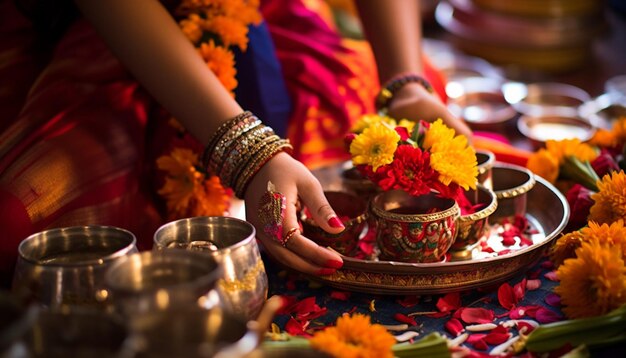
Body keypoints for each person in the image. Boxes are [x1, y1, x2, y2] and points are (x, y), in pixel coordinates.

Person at [0, 0, 470, 287]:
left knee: (409, 104)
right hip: (107, 30)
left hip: (254, 25)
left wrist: (404, 82)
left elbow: (404, 85)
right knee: (22, 219)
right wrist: (247, 154)